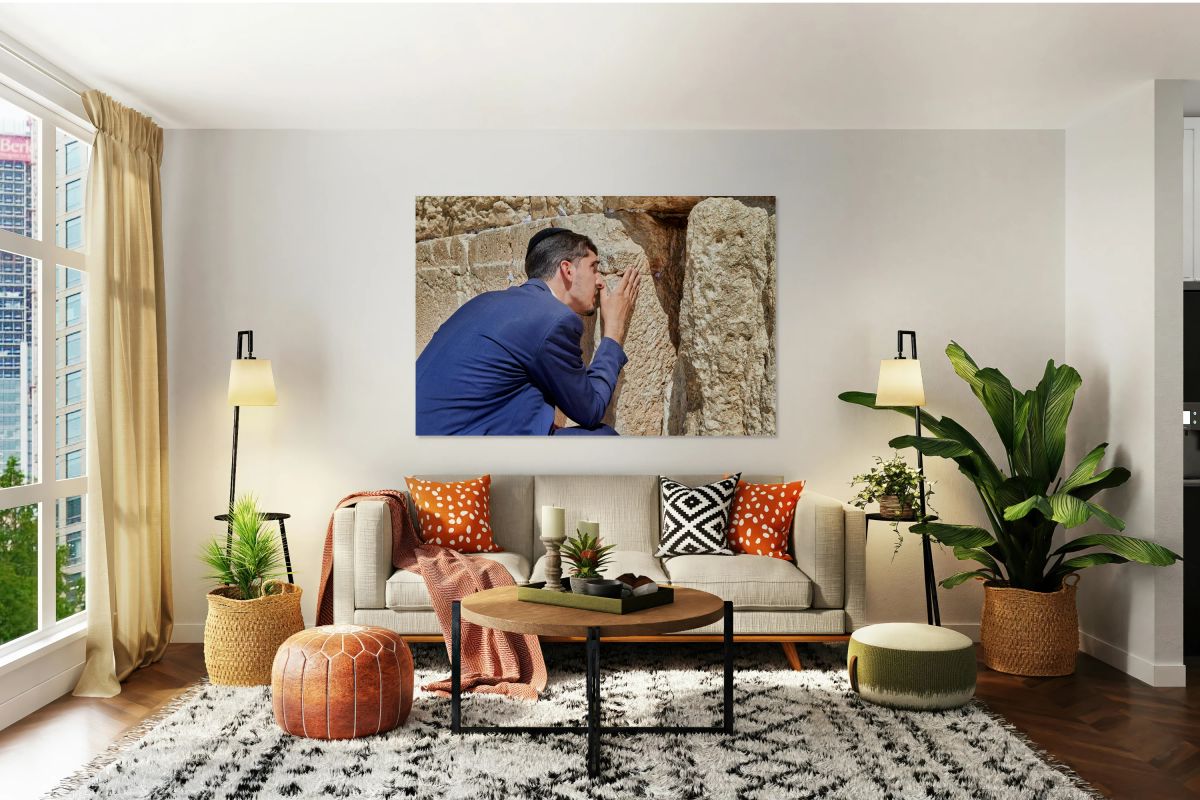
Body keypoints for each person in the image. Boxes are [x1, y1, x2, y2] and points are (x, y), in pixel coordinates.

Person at [416, 227, 642, 435]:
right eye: (594, 268)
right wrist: (613, 333)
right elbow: (590, 410)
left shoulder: (484, 301)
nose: (600, 281)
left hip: (421, 441)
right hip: (459, 456)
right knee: (603, 439)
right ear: (567, 270)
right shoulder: (555, 319)